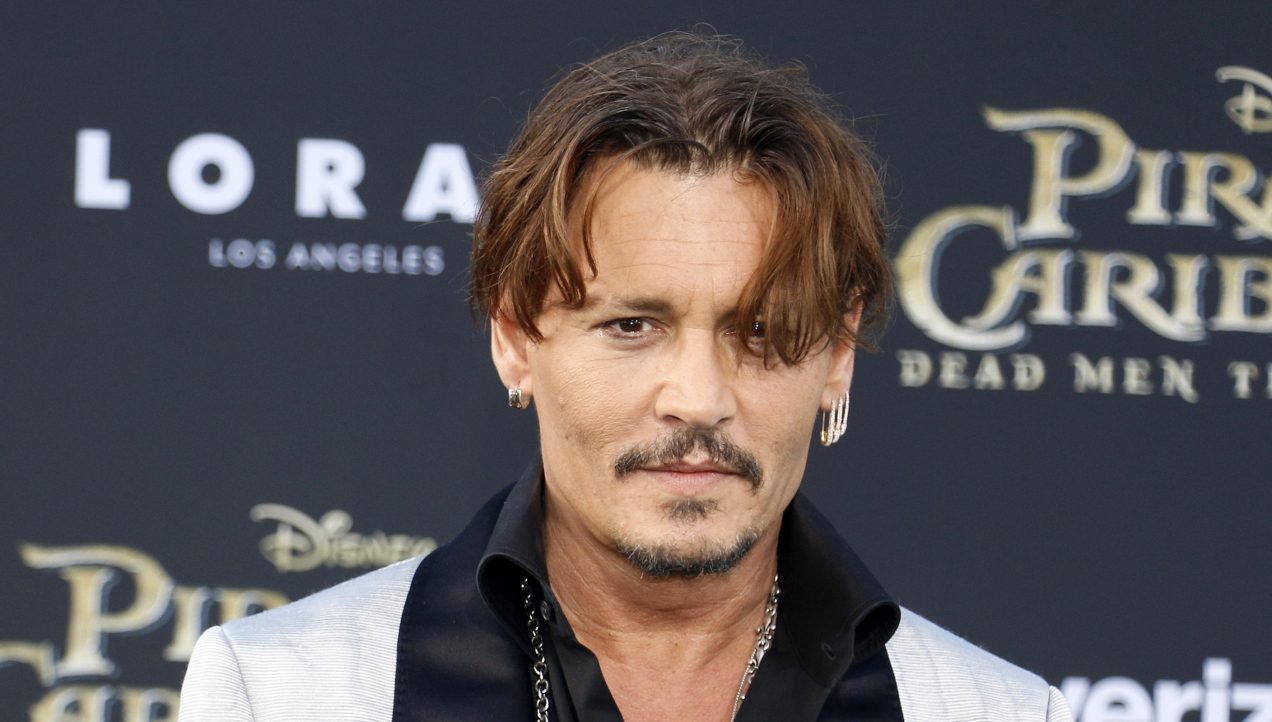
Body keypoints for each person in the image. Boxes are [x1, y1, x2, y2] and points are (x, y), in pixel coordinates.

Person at [179, 33, 1072, 722]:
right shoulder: (281, 692)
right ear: (515, 338)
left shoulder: (998, 712)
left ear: (837, 356)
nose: (698, 399)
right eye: (632, 326)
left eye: (761, 331)